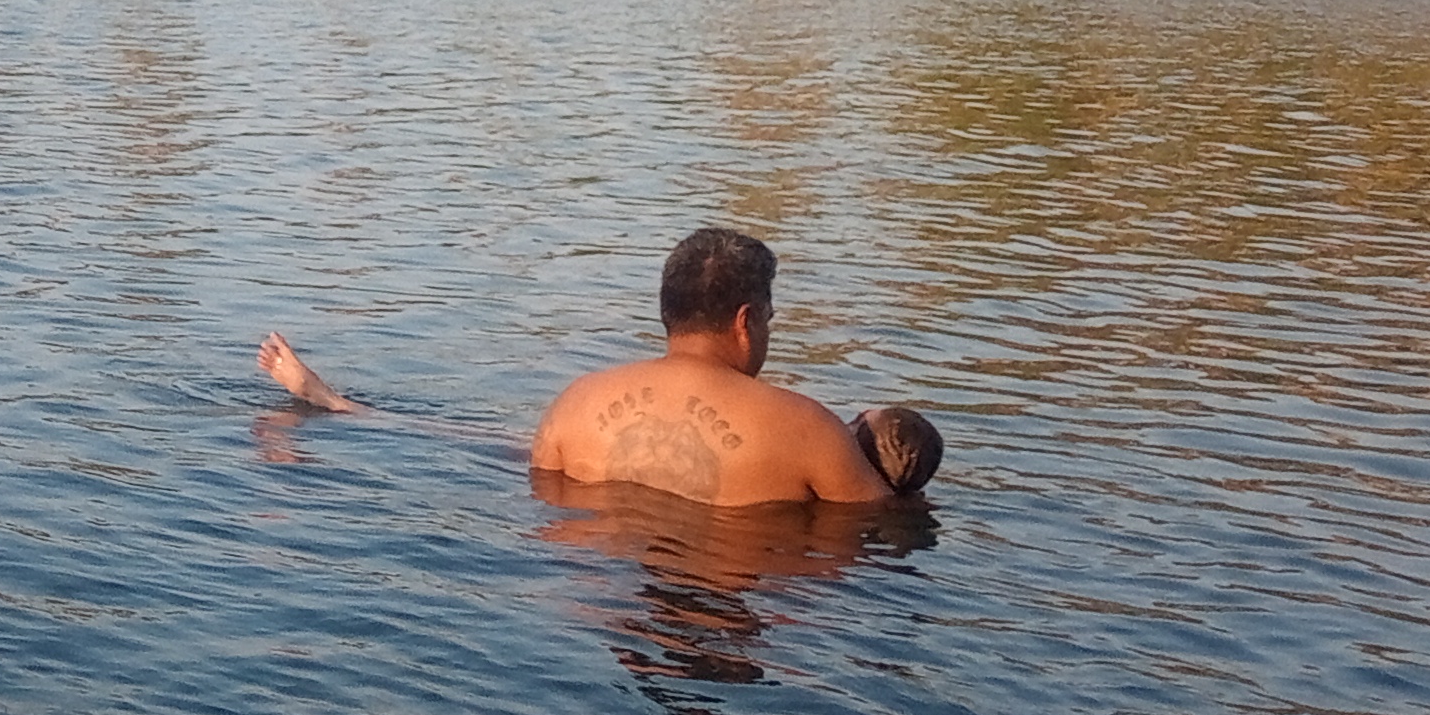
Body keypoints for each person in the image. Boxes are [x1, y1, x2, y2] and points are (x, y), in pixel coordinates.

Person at [259, 227, 937, 511]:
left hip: (583, 593)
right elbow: (875, 533)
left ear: (668, 309)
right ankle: (338, 406)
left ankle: (339, 408)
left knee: (497, 445)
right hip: (726, 574)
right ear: (745, 320)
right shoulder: (808, 431)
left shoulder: (576, 403)